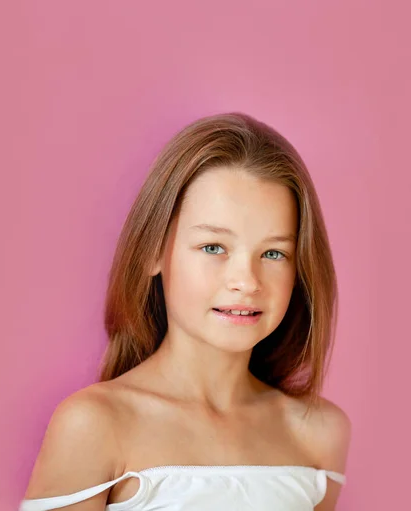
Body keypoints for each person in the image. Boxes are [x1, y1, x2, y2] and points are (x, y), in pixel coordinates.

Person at [19, 112, 352, 511]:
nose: (246, 281)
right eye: (214, 247)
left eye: (273, 253)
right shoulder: (94, 425)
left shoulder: (320, 433)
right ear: (154, 251)